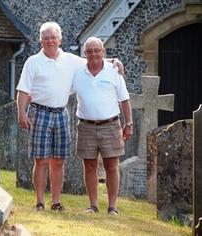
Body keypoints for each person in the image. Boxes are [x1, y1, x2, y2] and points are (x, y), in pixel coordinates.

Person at [16, 22, 124, 211]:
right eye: (46, 38)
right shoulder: (32, 61)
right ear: (41, 40)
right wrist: (22, 113)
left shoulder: (70, 60)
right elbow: (23, 90)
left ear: (60, 39)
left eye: (53, 37)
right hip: (39, 112)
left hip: (61, 113)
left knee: (58, 160)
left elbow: (95, 60)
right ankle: (40, 202)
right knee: (40, 160)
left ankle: (56, 202)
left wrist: (115, 61)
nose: (50, 40)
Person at [71, 37, 133, 215]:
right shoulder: (78, 72)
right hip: (86, 126)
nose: (93, 54)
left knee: (112, 166)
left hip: (110, 125)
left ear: (103, 52)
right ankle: (93, 205)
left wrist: (129, 124)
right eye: (89, 51)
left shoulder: (114, 71)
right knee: (89, 166)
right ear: (85, 54)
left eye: (97, 50)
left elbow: (125, 99)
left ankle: (112, 207)